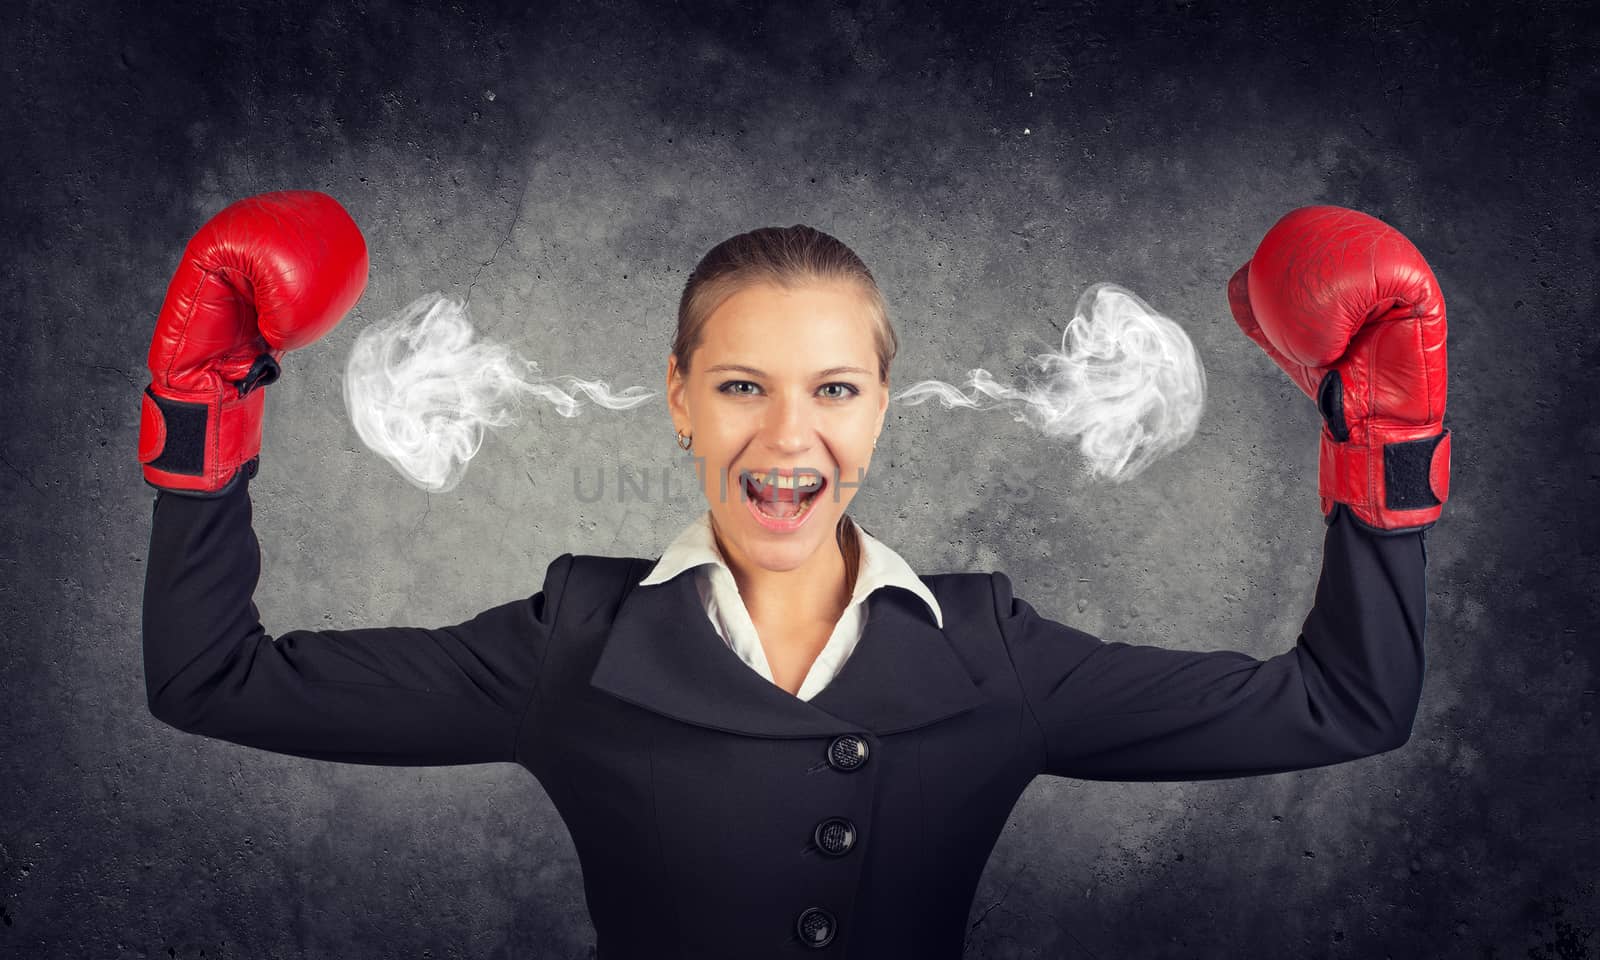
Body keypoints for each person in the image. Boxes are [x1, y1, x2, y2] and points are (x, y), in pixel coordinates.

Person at [140, 191, 1450, 958]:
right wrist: (206, 409)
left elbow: (1348, 707)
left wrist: (1379, 440)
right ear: (679, 404)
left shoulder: (993, 652)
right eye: (740, 387)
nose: (786, 436)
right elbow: (211, 681)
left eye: (834, 389)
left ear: (883, 411)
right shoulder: (572, 642)